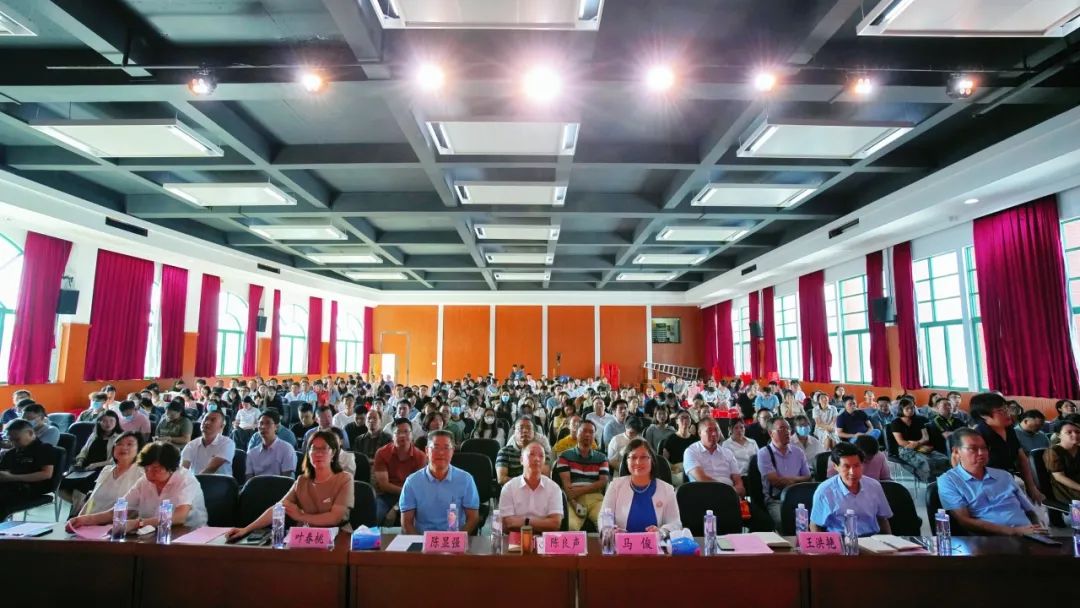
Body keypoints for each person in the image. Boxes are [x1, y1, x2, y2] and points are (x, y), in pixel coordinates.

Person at [227, 430, 354, 539]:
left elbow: (335, 518)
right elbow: (278, 508)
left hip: (339, 536)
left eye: (324, 448)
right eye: (314, 448)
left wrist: (301, 516)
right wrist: (246, 529)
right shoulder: (302, 481)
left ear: (333, 453)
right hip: (308, 536)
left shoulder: (344, 479)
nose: (318, 453)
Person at [68, 441, 207, 531]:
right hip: (152, 533)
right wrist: (86, 519)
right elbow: (118, 511)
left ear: (171, 468)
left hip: (188, 534)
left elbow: (179, 517)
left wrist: (138, 523)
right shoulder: (144, 481)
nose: (149, 474)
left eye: (155, 469)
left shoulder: (185, 480)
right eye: (146, 469)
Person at [938, 429, 1045, 536]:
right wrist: (1014, 531)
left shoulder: (1004, 476)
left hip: (1029, 533)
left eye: (984, 448)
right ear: (956, 451)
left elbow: (1029, 509)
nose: (981, 453)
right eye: (973, 449)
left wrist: (1040, 529)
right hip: (992, 539)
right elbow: (964, 521)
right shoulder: (948, 481)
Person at [400, 429, 480, 534]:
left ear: (452, 451)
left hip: (454, 539)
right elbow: (406, 523)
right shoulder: (412, 482)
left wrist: (458, 539)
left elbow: (473, 518)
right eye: (435, 447)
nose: (441, 453)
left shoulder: (466, 480)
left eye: (446, 448)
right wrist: (421, 542)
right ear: (426, 451)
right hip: (423, 539)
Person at [970, 392, 1044, 503]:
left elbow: (1022, 459)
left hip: (1009, 480)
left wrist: (1032, 488)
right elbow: (973, 472)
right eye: (1000, 411)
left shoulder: (1009, 429)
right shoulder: (978, 436)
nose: (1008, 413)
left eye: (1006, 408)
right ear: (983, 415)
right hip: (987, 488)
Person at [601, 438, 682, 534]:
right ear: (626, 462)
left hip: (655, 543)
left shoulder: (667, 489)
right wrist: (610, 531)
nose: (638, 462)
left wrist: (661, 532)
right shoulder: (615, 486)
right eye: (633, 457)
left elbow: (675, 523)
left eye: (643, 457)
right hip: (622, 542)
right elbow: (605, 516)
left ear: (652, 460)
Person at [811, 441, 893, 536]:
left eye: (856, 466)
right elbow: (815, 525)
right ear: (835, 467)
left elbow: (883, 519)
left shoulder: (874, 486)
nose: (852, 472)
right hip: (840, 539)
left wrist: (889, 540)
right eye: (846, 466)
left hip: (872, 538)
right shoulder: (825, 490)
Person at [497, 441, 563, 533]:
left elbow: (555, 524)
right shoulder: (509, 488)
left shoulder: (554, 488)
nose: (537, 459)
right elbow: (507, 524)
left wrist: (525, 522)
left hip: (544, 538)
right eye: (531, 454)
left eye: (541, 456)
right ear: (521, 460)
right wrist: (543, 523)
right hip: (516, 538)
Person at [555, 420, 610, 531]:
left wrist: (580, 490)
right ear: (576, 432)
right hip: (573, 500)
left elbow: (603, 482)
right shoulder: (565, 456)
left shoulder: (602, 458)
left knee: (606, 525)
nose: (587, 435)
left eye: (591, 432)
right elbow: (567, 486)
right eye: (584, 431)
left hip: (596, 499)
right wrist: (574, 503)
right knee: (570, 527)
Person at [0, 419, 59, 521]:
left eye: (17, 440)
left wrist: (12, 477)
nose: (13, 443)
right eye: (11, 440)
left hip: (30, 488)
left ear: (30, 433)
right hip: (11, 485)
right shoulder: (11, 453)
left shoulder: (44, 449)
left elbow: (46, 474)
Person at [372, 418, 427, 526]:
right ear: (392, 436)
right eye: (398, 432)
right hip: (386, 496)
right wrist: (402, 496)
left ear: (412, 435)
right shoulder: (382, 453)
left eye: (406, 432)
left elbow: (418, 488)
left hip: (412, 498)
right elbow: (384, 485)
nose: (402, 436)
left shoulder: (420, 456)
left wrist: (396, 507)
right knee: (375, 518)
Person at [75, 431, 144, 516]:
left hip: (117, 522)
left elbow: (134, 510)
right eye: (119, 444)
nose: (123, 447)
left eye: (129, 444)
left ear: (139, 450)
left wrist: (90, 520)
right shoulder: (106, 470)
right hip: (89, 520)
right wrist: (80, 517)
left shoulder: (141, 474)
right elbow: (92, 500)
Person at [757, 418, 811, 525]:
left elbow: (808, 477)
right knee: (785, 522)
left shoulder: (798, 452)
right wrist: (798, 481)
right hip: (777, 500)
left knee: (814, 520)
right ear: (771, 433)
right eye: (782, 429)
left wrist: (790, 480)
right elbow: (776, 482)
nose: (787, 432)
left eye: (788, 428)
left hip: (799, 497)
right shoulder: (764, 453)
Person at [889, 398, 950, 482]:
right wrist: (916, 445)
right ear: (901, 409)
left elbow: (926, 437)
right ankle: (931, 482)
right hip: (905, 449)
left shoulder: (918, 420)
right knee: (928, 462)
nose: (910, 410)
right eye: (907, 408)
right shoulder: (896, 423)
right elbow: (901, 442)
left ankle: (945, 481)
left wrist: (917, 443)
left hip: (922, 446)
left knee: (944, 459)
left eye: (912, 408)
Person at [497, 418, 550, 485]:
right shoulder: (504, 452)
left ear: (534, 433)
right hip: (512, 490)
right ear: (514, 432)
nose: (525, 431)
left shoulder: (542, 452)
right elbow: (501, 479)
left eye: (529, 428)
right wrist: (525, 484)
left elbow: (544, 477)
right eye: (520, 428)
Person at [180, 410, 235, 476]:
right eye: (205, 419)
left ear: (221, 426)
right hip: (194, 480)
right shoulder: (191, 445)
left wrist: (194, 481)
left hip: (219, 481)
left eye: (213, 420)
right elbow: (183, 469)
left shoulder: (227, 443)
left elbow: (211, 469)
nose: (207, 422)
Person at [245, 410, 297, 479]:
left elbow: (287, 480)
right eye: (261, 423)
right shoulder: (252, 453)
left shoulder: (287, 449)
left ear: (276, 427)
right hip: (258, 486)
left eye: (268, 423)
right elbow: (249, 480)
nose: (263, 427)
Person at [1044, 415, 1080, 502]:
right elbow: (1059, 477)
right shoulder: (1053, 451)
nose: (1075, 434)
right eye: (1069, 432)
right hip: (1067, 488)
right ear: (1058, 435)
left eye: (1077, 432)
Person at [827, 435, 891, 481]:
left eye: (872, 456)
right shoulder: (840, 458)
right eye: (865, 458)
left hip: (872, 491)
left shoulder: (880, 456)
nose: (869, 460)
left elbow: (886, 480)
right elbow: (830, 481)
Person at [661, 410, 697, 485]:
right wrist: (676, 468)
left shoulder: (696, 440)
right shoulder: (670, 439)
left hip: (692, 470)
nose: (685, 420)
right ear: (677, 421)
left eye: (687, 417)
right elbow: (665, 461)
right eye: (682, 417)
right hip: (676, 472)